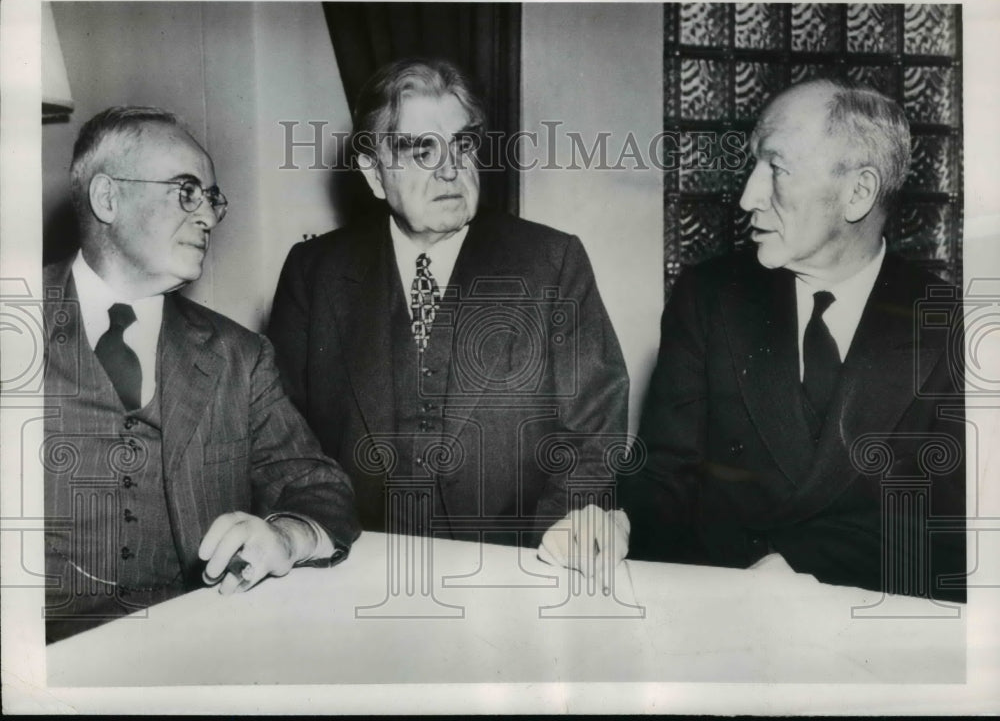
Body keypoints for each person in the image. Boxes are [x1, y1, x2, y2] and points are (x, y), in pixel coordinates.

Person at [268, 58, 629, 569]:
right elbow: (285, 437)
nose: (449, 169)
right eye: (421, 150)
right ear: (374, 173)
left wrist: (557, 542)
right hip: (356, 569)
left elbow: (592, 432)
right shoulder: (314, 272)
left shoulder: (551, 262)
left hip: (514, 571)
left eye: (462, 145)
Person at [619, 79, 966, 601]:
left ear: (858, 193)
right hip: (722, 613)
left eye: (776, 170)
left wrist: (805, 564)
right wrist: (616, 524)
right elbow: (665, 475)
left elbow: (953, 524)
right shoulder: (710, 297)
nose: (747, 197)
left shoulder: (954, 326)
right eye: (754, 167)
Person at [43, 107, 361, 643]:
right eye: (186, 191)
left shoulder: (239, 355)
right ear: (107, 198)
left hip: (195, 649)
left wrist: (287, 534)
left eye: (212, 199)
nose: (209, 217)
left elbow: (319, 486)